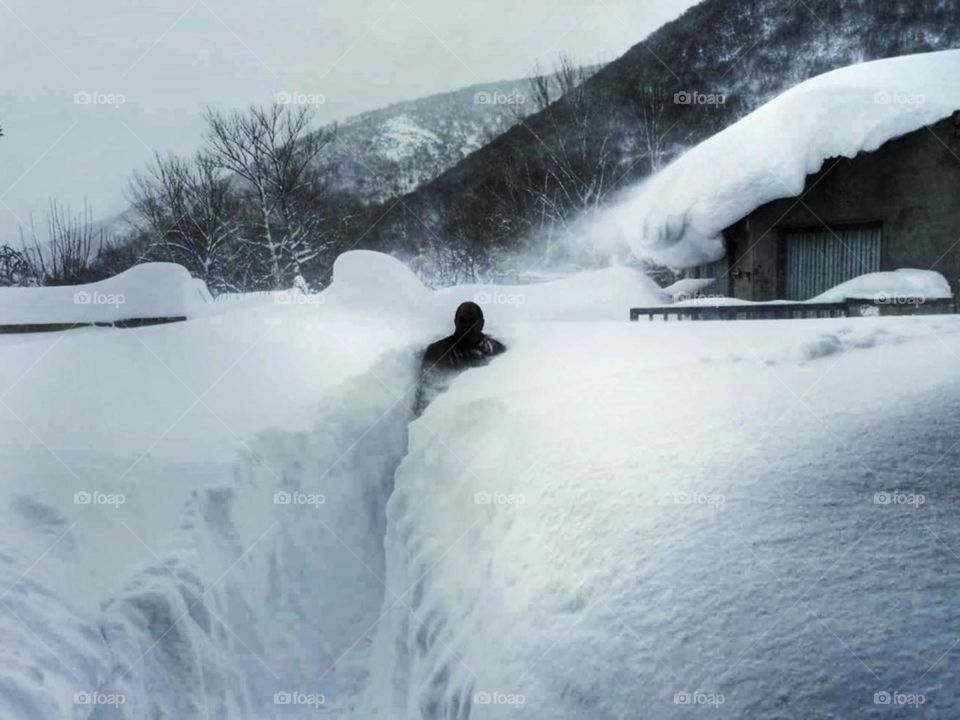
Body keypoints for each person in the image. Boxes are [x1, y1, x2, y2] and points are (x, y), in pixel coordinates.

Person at [416, 301, 506, 412]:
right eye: (462, 321)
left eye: (472, 321)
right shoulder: (437, 351)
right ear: (455, 322)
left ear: (481, 324)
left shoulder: (496, 350)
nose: (467, 326)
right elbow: (424, 397)